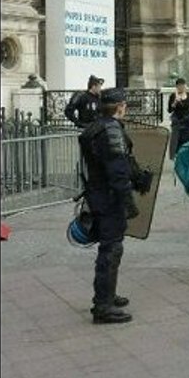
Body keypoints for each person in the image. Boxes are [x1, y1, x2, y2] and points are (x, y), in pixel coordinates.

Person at [77, 88, 147, 324]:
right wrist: (128, 202)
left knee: (110, 248)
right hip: (109, 197)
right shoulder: (111, 130)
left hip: (99, 194)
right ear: (120, 107)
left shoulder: (96, 126)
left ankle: (107, 294)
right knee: (111, 249)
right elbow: (117, 170)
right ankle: (103, 306)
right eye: (124, 105)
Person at [167, 77, 189, 159]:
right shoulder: (173, 96)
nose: (181, 88)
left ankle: (186, 155)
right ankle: (175, 156)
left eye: (182, 86)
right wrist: (175, 101)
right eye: (179, 86)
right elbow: (170, 110)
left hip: (187, 120)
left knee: (187, 139)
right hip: (177, 120)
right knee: (175, 139)